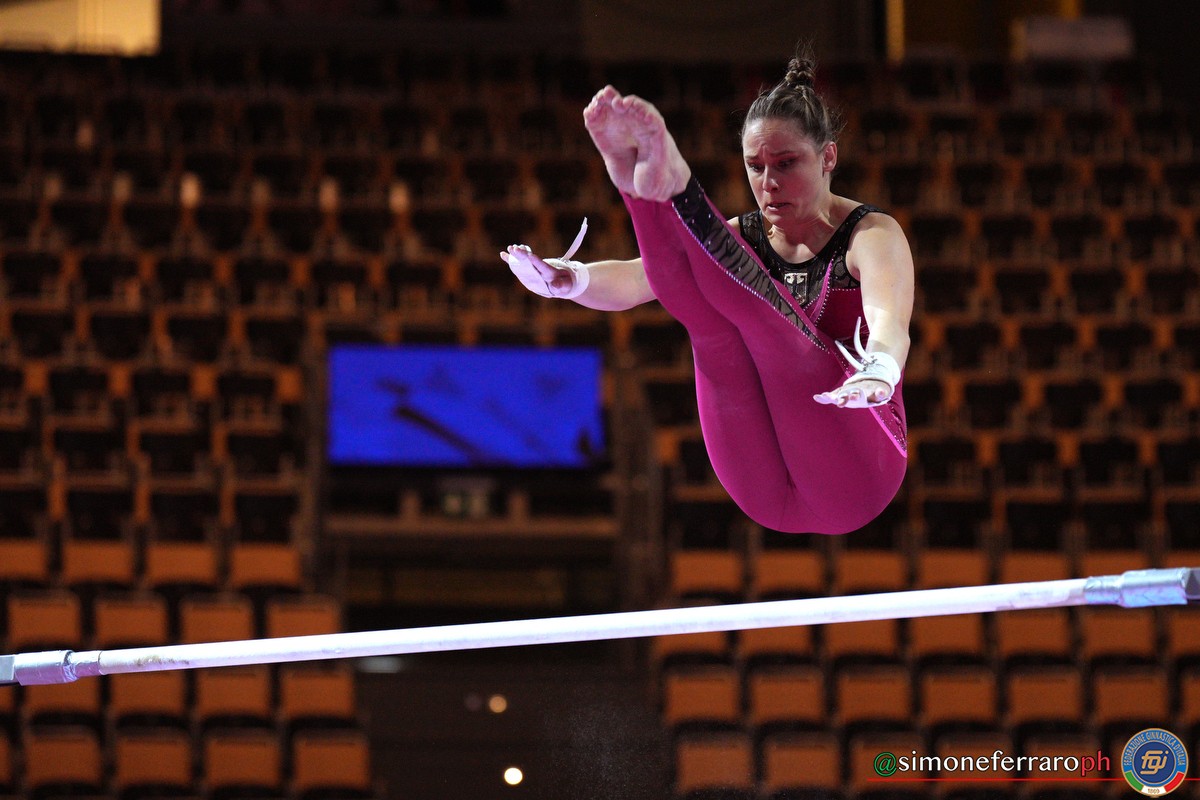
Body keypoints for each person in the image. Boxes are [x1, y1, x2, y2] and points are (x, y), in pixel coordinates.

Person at [501, 53, 914, 535]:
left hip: (858, 473)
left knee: (761, 320)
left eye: (786, 163)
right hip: (762, 494)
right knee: (709, 325)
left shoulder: (871, 235)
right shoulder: (741, 241)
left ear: (828, 158)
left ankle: (678, 190)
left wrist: (879, 370)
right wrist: (568, 279)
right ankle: (639, 190)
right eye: (755, 166)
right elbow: (636, 281)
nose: (769, 183)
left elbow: (889, 324)